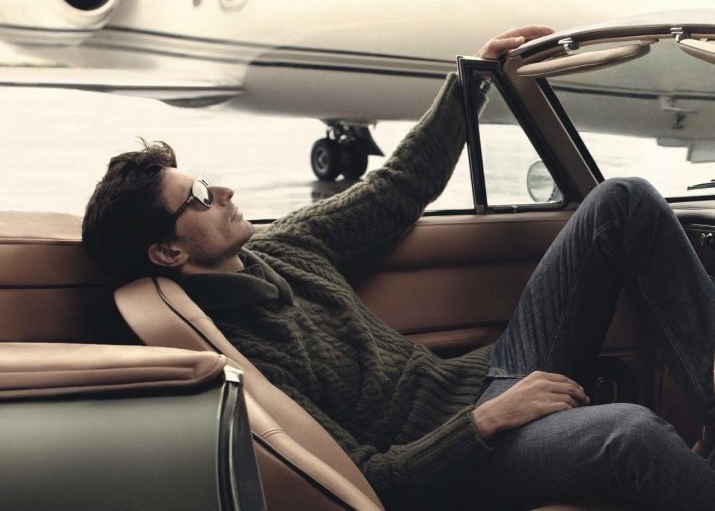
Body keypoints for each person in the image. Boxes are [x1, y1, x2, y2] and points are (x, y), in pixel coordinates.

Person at [82, 26, 715, 509]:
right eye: (198, 197)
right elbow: (370, 479)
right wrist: (488, 420)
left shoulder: (286, 249)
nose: (222, 192)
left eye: (208, 182)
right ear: (169, 252)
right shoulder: (235, 352)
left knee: (622, 201)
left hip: (488, 377)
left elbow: (398, 186)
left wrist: (471, 79)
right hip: (460, 461)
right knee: (630, 434)